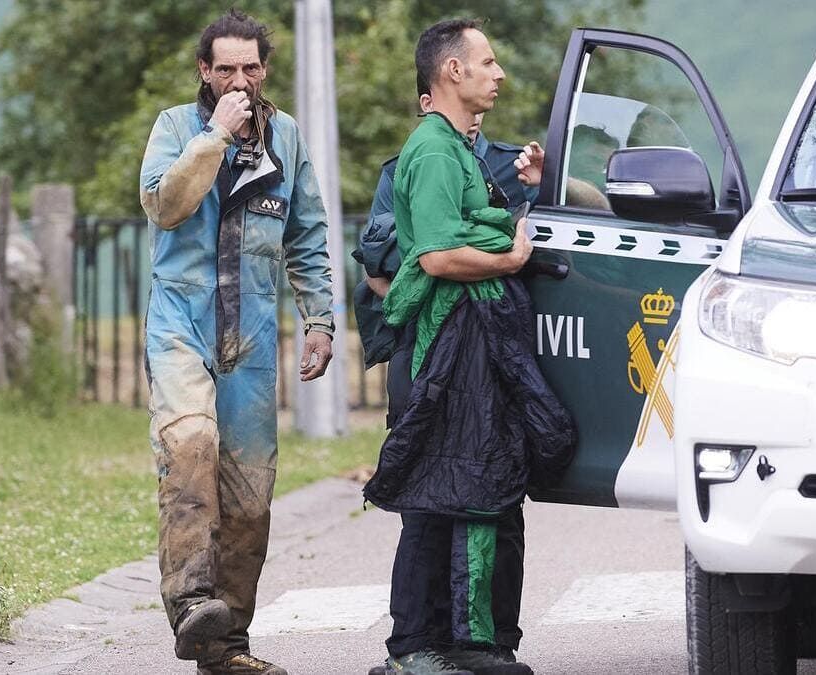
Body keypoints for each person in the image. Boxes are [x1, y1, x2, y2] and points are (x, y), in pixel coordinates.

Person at [361, 19, 574, 675]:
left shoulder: (464, 150)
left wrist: (526, 195)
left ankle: (472, 643)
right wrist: (509, 260)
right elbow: (436, 254)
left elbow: (473, 224)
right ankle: (417, 647)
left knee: (475, 480)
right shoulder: (428, 151)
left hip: (479, 340)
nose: (498, 73)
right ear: (451, 73)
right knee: (436, 488)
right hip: (447, 340)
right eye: (486, 61)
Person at [137, 10, 335, 675]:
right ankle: (192, 601)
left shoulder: (288, 139)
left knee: (249, 494)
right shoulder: (175, 128)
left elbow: (307, 236)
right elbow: (165, 206)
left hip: (250, 338)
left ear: (265, 69)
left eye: (251, 67)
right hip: (181, 323)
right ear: (204, 71)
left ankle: (225, 646)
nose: (240, 79)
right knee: (190, 447)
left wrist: (319, 320)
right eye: (226, 68)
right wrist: (214, 137)